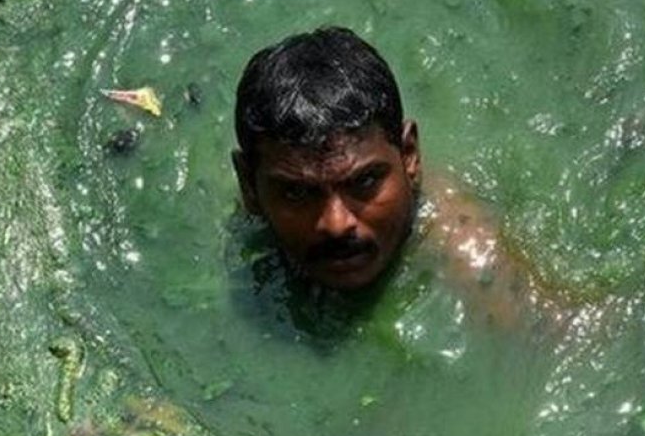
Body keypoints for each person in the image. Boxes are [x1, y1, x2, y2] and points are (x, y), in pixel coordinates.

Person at [232, 26, 554, 330]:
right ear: (249, 186)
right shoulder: (249, 211)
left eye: (365, 182)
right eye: (297, 194)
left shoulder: (471, 260)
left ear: (410, 156)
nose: (336, 223)